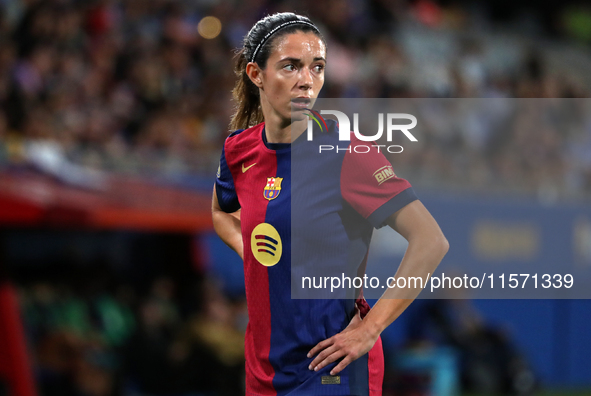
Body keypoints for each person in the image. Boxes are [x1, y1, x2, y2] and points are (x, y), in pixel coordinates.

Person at [211, 12, 448, 396]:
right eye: (291, 66)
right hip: (264, 370)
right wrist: (251, 251)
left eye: (317, 67)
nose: (307, 80)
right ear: (256, 74)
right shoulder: (238, 150)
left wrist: (370, 330)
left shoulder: (347, 150)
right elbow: (222, 212)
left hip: (333, 365)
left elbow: (431, 240)